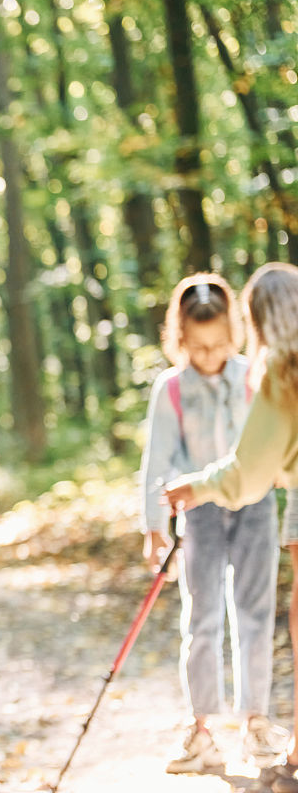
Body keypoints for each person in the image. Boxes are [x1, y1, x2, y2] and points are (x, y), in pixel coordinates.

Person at [142, 272, 285, 774]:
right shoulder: (171, 389)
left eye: (220, 344)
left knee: (254, 613)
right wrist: (154, 527)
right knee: (200, 618)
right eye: (199, 347)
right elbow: (157, 461)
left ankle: (255, 721)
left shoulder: (255, 376)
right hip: (198, 511)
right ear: (180, 339)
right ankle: (201, 728)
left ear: (235, 334)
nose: (210, 356)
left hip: (255, 505)